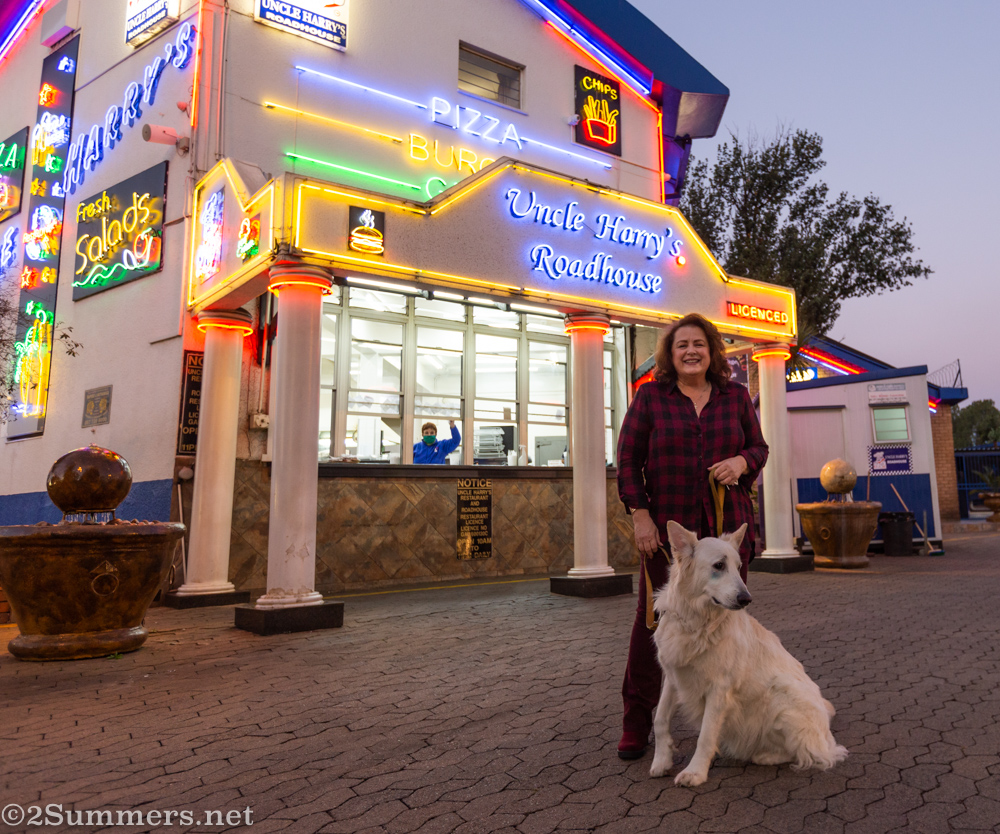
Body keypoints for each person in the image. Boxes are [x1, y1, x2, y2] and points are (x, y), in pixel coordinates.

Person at [615, 313, 769, 759]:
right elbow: (628, 462)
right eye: (682, 344)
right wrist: (640, 517)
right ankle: (637, 723)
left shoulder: (735, 397)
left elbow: (758, 447)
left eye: (699, 344)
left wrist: (742, 462)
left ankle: (725, 722)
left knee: (725, 631)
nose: (690, 351)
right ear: (670, 352)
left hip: (727, 539)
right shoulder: (650, 398)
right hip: (671, 540)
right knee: (655, 625)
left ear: (711, 350)